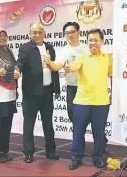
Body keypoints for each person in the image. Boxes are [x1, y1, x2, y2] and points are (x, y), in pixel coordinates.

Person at [46, 28, 113, 169]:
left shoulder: (107, 58)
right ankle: (76, 157)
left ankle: (98, 157)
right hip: (82, 101)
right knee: (78, 132)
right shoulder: (82, 56)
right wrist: (54, 65)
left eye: (95, 40)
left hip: (101, 102)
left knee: (99, 132)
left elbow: (112, 76)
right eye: (90, 40)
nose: (92, 43)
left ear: (102, 41)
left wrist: (113, 92)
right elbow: (71, 66)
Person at [16, 22, 60, 163]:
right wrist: (17, 69)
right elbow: (20, 62)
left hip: (47, 91)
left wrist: (56, 88)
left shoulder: (50, 48)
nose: (37, 34)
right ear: (30, 34)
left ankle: (51, 150)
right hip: (31, 94)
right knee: (29, 123)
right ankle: (29, 152)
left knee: (48, 123)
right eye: (34, 32)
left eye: (39, 32)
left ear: (44, 33)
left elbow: (54, 68)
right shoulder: (25, 48)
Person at [0, 27, 21, 164]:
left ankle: (3, 151)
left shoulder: (9, 52)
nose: (2, 38)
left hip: (9, 95)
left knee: (7, 125)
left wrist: (17, 74)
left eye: (4, 36)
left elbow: (14, 70)